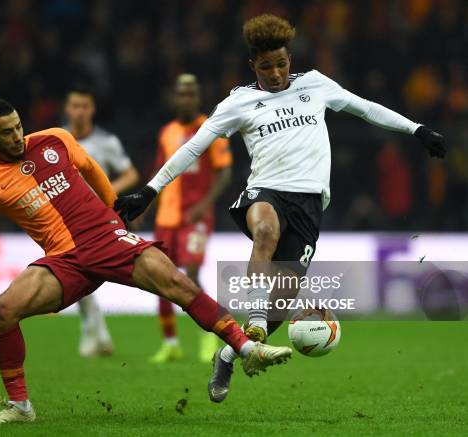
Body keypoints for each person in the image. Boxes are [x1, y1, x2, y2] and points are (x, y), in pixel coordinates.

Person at [0, 97, 292, 425]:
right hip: (64, 262)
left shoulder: (54, 139)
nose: (18, 136)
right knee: (1, 312)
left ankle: (246, 346)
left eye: (19, 126)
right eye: (7, 132)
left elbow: (91, 167)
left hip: (107, 239)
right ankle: (20, 406)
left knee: (179, 286)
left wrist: (113, 208)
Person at [114, 13, 446, 403]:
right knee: (266, 231)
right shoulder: (238, 102)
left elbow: (366, 108)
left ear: (291, 59)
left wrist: (417, 130)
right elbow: (193, 146)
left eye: (282, 64)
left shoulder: (316, 85)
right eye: (267, 66)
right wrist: (151, 190)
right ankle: (252, 322)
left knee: (282, 304)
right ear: (253, 65)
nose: (275, 73)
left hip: (309, 205)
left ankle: (227, 354)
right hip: (266, 192)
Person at [149, 74, 232, 363]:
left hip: (195, 217)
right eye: (181, 93)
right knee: (159, 277)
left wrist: (204, 205)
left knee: (192, 275)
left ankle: (208, 336)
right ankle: (170, 343)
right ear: (175, 98)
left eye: (191, 94)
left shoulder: (210, 130)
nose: (186, 98)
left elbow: (224, 172)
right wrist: (144, 209)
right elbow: (159, 175)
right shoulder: (166, 132)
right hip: (166, 218)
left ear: (198, 97)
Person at [64, 86, 140, 357]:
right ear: (68, 109)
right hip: (65, 219)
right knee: (78, 275)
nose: (80, 111)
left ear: (92, 109)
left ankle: (96, 333)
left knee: (88, 275)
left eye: (85, 106)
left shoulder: (106, 142)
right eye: (75, 106)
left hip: (99, 219)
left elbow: (131, 174)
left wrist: (105, 190)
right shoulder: (57, 142)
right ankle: (95, 333)